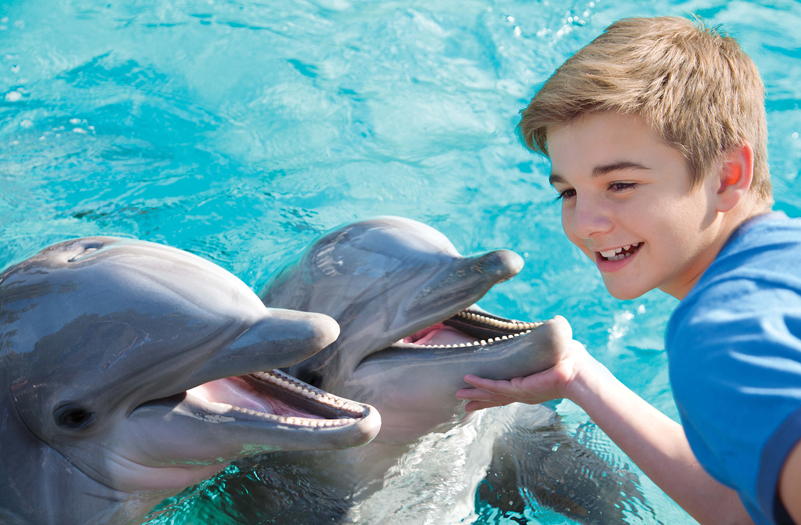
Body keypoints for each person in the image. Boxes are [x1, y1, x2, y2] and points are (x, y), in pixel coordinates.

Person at [455, 16, 801, 525]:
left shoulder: (725, 337)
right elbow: (755, 505)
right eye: (568, 193)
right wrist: (580, 379)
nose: (586, 225)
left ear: (728, 175)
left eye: (620, 184)